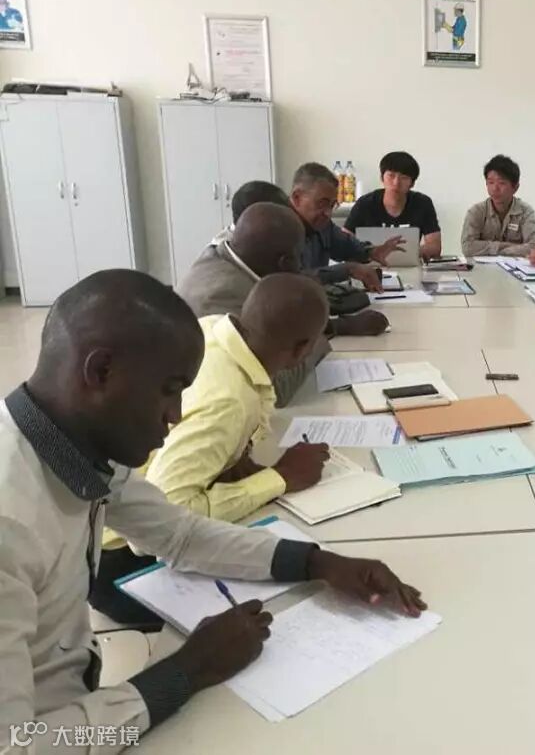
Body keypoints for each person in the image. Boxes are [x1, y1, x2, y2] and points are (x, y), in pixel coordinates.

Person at [0, 270, 425, 747]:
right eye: (169, 390)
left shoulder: (79, 446)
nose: (177, 415)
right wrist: (188, 670)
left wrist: (317, 562)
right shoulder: (10, 522)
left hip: (74, 694)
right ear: (101, 372)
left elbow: (179, 535)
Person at [94, 275, 334, 624]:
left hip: (111, 528)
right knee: (295, 605)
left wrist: (232, 458)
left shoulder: (213, 329)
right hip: (121, 564)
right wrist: (279, 478)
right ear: (302, 350)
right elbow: (165, 517)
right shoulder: (229, 400)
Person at [176, 203, 388, 405]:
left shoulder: (228, 256)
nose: (301, 266)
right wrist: (322, 334)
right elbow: (276, 387)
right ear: (284, 262)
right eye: (299, 257)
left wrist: (337, 325)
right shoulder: (222, 296)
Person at [291, 162, 404, 286]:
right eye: (322, 203)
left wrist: (372, 252)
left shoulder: (323, 225)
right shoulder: (280, 228)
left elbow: (347, 246)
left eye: (332, 205)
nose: (328, 213)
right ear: (297, 198)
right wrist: (348, 269)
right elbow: (293, 280)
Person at [345, 152, 442, 260]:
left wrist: (408, 253)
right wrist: (367, 252)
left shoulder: (422, 203)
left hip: (409, 265)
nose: (396, 183)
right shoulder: (365, 203)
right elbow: (343, 241)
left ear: (412, 183)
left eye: (404, 178)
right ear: (382, 178)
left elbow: (435, 246)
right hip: (368, 265)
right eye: (391, 176)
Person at [460, 154, 535, 257]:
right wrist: (505, 246)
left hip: (516, 266)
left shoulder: (526, 212)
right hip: (481, 266)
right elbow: (467, 247)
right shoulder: (476, 211)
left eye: (501, 183)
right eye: (491, 182)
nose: (495, 188)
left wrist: (503, 251)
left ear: (515, 187)